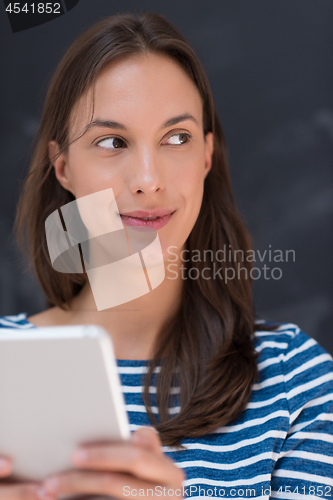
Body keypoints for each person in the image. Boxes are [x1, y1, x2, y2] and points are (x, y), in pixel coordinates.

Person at [1, 12, 333, 500]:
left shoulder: (296, 380)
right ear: (63, 168)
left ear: (205, 156)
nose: (148, 178)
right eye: (112, 142)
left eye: (176, 137)